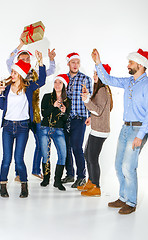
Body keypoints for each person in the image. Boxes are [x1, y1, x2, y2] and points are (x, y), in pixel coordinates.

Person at [91, 48, 148, 214]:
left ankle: (132, 202)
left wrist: (140, 136)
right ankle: (123, 197)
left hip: (138, 129)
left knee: (128, 167)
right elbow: (108, 79)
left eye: (131, 62)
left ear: (140, 65)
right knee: (119, 165)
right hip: (125, 127)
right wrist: (98, 62)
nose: (128, 65)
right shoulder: (129, 82)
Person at [6, 33, 56, 181]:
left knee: (42, 140)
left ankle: (35, 169)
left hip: (35, 113)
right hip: (19, 115)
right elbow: (8, 60)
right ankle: (17, 174)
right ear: (18, 61)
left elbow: (50, 72)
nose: (26, 61)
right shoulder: (14, 74)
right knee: (18, 147)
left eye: (28, 59)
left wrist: (51, 59)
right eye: (23, 59)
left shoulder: (34, 74)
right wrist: (20, 45)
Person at [0, 51, 46, 198]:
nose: (11, 74)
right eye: (12, 71)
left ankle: (24, 187)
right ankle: (2, 186)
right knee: (7, 158)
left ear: (20, 73)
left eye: (14, 72)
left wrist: (41, 62)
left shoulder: (28, 87)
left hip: (22, 127)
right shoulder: (6, 87)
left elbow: (42, 80)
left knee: (19, 158)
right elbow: (1, 106)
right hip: (7, 127)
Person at [78, 64, 113, 197]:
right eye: (94, 73)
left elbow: (97, 110)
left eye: (96, 74)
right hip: (96, 128)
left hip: (100, 130)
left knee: (92, 158)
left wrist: (86, 99)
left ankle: (96, 187)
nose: (94, 76)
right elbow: (100, 110)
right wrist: (92, 118)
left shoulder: (103, 90)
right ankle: (91, 181)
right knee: (88, 155)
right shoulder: (100, 90)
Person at [61, 52, 92, 188]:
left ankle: (81, 177)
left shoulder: (85, 79)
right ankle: (70, 174)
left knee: (77, 147)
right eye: (73, 62)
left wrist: (90, 115)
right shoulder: (63, 79)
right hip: (65, 118)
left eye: (77, 62)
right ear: (68, 63)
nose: (75, 65)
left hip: (79, 118)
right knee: (66, 147)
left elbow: (90, 98)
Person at [40, 74, 71, 191]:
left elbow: (65, 120)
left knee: (63, 155)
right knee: (45, 155)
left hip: (58, 130)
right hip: (45, 128)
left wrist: (64, 112)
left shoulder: (67, 101)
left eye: (60, 83)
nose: (57, 85)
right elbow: (44, 114)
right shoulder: (47, 97)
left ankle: (57, 181)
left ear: (64, 86)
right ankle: (46, 179)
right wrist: (53, 106)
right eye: (55, 82)